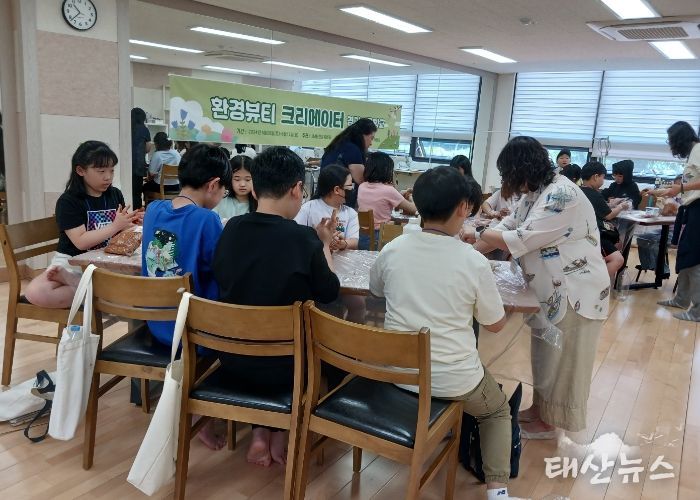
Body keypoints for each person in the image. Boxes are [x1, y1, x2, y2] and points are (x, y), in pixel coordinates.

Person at [370, 166, 511, 500]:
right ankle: (498, 492)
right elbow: (494, 325)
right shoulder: (472, 261)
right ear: (463, 208)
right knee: (497, 411)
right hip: (453, 380)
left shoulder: (393, 249)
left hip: (398, 373)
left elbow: (376, 291)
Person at [462, 136, 609, 437]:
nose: (508, 183)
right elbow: (506, 226)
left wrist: (475, 232)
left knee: (565, 359)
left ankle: (551, 421)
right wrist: (467, 252)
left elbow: (520, 238)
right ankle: (540, 410)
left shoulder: (562, 194)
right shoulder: (535, 193)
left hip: (575, 291)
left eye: (508, 174)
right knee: (545, 353)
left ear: (522, 170)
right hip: (548, 288)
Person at [213, 147, 339, 467]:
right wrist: (324, 244)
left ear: (254, 189)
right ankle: (280, 433)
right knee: (308, 347)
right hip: (286, 367)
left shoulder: (231, 229)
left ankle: (259, 433)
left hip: (232, 357)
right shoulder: (303, 239)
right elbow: (329, 291)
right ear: (297, 189)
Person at [141, 143, 229, 450]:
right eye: (224, 191)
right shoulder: (206, 220)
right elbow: (221, 269)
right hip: (192, 332)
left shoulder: (154, 210)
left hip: (156, 322)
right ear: (213, 185)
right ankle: (202, 413)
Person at [24, 141, 138, 308]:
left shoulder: (114, 194)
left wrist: (131, 223)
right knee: (35, 292)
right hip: (72, 262)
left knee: (141, 280)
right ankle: (100, 292)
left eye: (112, 170)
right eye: (101, 171)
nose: (108, 177)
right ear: (80, 171)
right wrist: (115, 226)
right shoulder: (68, 201)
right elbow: (81, 241)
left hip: (105, 260)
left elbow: (120, 231)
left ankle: (88, 288)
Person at [295, 163, 364, 323]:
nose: (352, 189)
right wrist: (320, 238)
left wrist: (342, 243)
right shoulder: (309, 208)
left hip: (343, 269)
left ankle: (350, 336)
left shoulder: (350, 213)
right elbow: (297, 235)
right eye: (349, 186)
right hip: (315, 267)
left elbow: (354, 241)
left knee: (359, 305)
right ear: (337, 189)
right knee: (325, 305)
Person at [656, 121, 700, 321]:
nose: (671, 145)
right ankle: (681, 299)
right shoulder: (693, 152)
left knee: (695, 258)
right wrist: (668, 190)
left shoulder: (698, 150)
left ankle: (697, 311)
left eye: (671, 141)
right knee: (686, 254)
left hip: (698, 208)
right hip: (692, 209)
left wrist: (680, 188)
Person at [357, 151, 416, 249]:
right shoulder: (388, 190)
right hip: (381, 237)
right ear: (386, 170)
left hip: (362, 237)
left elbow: (382, 198)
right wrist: (410, 196)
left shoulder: (362, 187)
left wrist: (399, 194)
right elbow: (413, 209)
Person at [580, 161, 627, 280]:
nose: (603, 181)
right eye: (603, 177)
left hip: (583, 234)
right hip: (593, 236)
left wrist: (611, 204)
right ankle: (597, 284)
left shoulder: (579, 191)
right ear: (596, 177)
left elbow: (599, 207)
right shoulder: (594, 194)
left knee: (617, 244)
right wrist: (621, 207)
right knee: (618, 259)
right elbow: (609, 216)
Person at [320, 118, 378, 208]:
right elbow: (361, 180)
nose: (371, 143)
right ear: (362, 135)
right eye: (371, 138)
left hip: (324, 198)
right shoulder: (352, 150)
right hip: (338, 200)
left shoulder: (338, 145)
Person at [637, 175, 682, 274]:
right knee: (641, 238)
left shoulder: (686, 200)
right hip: (666, 229)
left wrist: (667, 200)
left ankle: (662, 270)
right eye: (675, 185)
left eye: (679, 185)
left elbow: (666, 211)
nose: (676, 188)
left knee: (657, 242)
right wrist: (652, 192)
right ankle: (649, 265)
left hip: (679, 233)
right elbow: (665, 212)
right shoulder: (673, 198)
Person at [213, 155, 257, 219]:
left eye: (247, 179)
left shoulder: (260, 203)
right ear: (229, 178)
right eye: (237, 179)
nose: (242, 184)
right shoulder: (220, 200)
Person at [143, 132, 181, 196]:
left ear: (157, 144)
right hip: (177, 185)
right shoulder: (176, 153)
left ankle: (153, 202)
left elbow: (152, 174)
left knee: (145, 187)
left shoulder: (157, 155)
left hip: (161, 187)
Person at [131, 107, 152, 209]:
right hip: (138, 164)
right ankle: (136, 212)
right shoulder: (144, 129)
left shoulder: (126, 127)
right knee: (137, 192)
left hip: (126, 163)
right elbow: (148, 148)